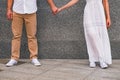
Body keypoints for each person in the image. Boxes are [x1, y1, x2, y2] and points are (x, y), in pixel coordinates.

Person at [48, 0, 112, 69]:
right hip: (89, 13)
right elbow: (74, 1)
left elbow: (105, 2)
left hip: (99, 13)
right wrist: (61, 8)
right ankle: (92, 59)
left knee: (100, 36)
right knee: (91, 34)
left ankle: (101, 59)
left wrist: (108, 17)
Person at [6, 0, 41, 67]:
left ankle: (34, 57)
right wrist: (9, 9)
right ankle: (14, 58)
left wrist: (52, 6)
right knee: (16, 36)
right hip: (17, 11)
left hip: (31, 11)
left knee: (32, 36)